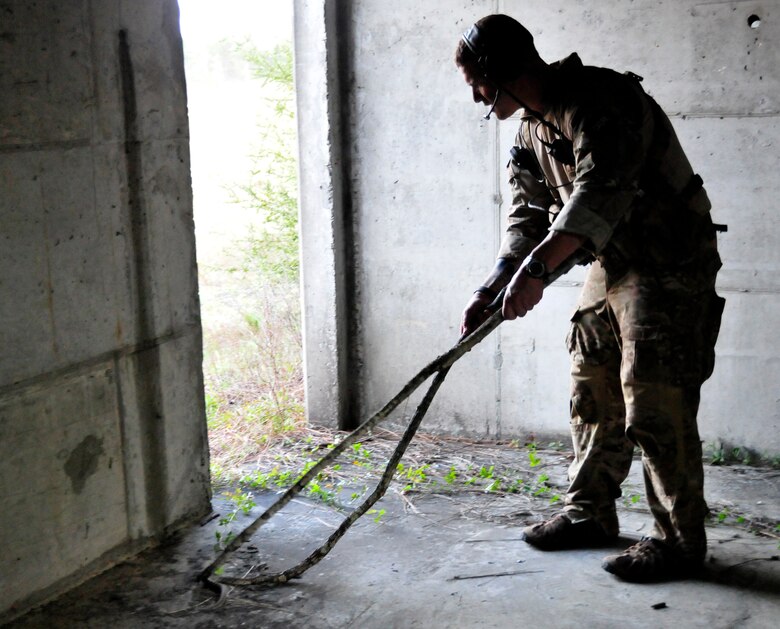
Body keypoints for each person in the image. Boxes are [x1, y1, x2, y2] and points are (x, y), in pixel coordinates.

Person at [455, 14, 725, 583]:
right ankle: (589, 513)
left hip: (667, 260)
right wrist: (494, 283)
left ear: (501, 70)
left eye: (478, 81)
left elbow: (597, 197)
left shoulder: (600, 99)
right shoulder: (530, 129)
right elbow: (527, 216)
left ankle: (678, 541)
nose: (476, 95)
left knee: (654, 399)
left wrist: (535, 275)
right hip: (612, 264)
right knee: (590, 385)